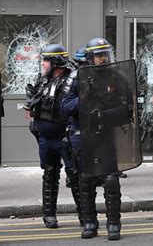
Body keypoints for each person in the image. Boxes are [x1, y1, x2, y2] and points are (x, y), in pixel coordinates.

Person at [62, 38, 125, 240]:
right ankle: (90, 222)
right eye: (98, 55)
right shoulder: (75, 77)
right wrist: (85, 98)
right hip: (83, 134)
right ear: (89, 58)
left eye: (105, 54)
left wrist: (108, 110)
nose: (103, 58)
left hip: (106, 133)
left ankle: (114, 224)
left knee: (111, 179)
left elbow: (127, 107)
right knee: (85, 179)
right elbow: (65, 107)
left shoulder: (117, 78)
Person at [24, 44, 81, 228]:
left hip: (65, 137)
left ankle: (85, 216)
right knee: (49, 174)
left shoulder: (72, 80)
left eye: (46, 60)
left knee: (75, 176)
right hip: (45, 139)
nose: (43, 64)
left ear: (56, 62)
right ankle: (49, 215)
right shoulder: (43, 80)